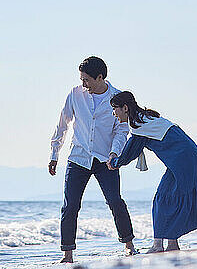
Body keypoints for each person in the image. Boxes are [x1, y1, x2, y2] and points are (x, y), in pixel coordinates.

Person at [108, 91, 197, 253]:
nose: (114, 113)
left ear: (125, 108)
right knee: (166, 198)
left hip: (184, 160)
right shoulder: (145, 118)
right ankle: (171, 244)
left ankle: (158, 246)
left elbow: (129, 154)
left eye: (115, 109)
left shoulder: (139, 125)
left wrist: (114, 162)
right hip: (189, 158)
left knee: (163, 199)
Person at [49, 56, 137, 263]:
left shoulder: (117, 97)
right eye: (81, 79)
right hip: (78, 157)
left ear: (100, 77)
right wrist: (54, 154)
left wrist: (115, 153)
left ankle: (129, 244)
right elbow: (62, 124)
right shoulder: (75, 94)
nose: (83, 84)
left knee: (115, 201)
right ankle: (67, 255)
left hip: (106, 159)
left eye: (87, 80)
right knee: (70, 205)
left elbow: (122, 130)